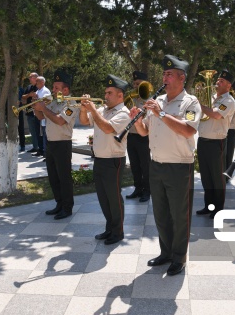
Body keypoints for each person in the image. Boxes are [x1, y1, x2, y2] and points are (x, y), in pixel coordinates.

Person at [130, 55, 201, 276]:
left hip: (179, 166)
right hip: (157, 165)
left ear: (181, 78)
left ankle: (179, 257)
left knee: (180, 214)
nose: (165, 77)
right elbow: (145, 132)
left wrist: (160, 113)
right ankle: (166, 252)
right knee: (160, 213)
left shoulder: (191, 103)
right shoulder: (158, 100)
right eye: (164, 74)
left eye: (169, 74)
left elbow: (189, 130)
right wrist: (137, 120)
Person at [79, 75, 131, 245]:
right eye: (105, 93)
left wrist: (93, 109)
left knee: (114, 198)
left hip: (113, 161)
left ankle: (118, 231)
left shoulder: (123, 113)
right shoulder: (103, 110)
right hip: (100, 159)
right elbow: (85, 121)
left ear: (120, 96)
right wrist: (83, 108)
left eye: (109, 93)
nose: (106, 96)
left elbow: (108, 128)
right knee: (103, 197)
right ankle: (109, 228)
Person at [33, 70, 77, 220]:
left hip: (63, 144)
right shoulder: (53, 101)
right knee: (53, 177)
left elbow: (60, 120)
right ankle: (59, 203)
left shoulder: (72, 103)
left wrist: (44, 108)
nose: (53, 90)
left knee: (64, 177)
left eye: (57, 88)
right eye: (53, 87)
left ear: (66, 90)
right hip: (50, 143)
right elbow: (40, 117)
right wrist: (36, 107)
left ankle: (67, 207)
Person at [196, 69, 235, 219]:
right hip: (203, 140)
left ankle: (218, 208)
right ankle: (208, 206)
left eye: (222, 81)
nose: (217, 82)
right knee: (206, 176)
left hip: (216, 142)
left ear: (229, 86)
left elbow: (216, 114)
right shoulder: (211, 97)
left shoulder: (229, 101)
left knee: (217, 177)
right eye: (218, 80)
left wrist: (200, 105)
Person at [125, 71, 151, 202]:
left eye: (138, 84)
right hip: (131, 135)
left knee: (145, 165)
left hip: (144, 137)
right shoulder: (131, 99)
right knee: (134, 164)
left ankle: (147, 191)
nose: (135, 86)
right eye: (134, 84)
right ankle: (138, 188)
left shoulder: (150, 100)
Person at [30, 76, 51, 158]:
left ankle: (46, 153)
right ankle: (41, 150)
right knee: (39, 134)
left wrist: (36, 99)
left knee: (44, 135)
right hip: (38, 114)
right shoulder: (38, 91)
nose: (36, 83)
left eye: (38, 81)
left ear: (42, 82)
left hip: (43, 115)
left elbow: (46, 102)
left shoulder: (45, 91)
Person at [21, 73, 40, 153]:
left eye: (31, 77)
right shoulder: (29, 87)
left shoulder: (39, 87)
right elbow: (23, 96)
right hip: (29, 112)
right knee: (32, 131)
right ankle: (35, 147)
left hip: (38, 113)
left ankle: (40, 148)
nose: (29, 78)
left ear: (36, 78)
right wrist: (29, 95)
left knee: (38, 131)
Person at [17, 84, 27, 152]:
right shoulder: (6, 89)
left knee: (21, 129)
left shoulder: (20, 89)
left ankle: (22, 145)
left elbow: (24, 100)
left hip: (19, 110)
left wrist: (20, 102)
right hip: (9, 111)